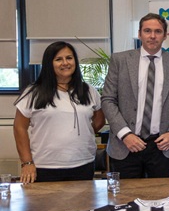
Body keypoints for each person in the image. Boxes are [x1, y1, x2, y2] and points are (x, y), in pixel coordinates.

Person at [102, 13, 169, 179]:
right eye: (147, 31)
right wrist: (125, 134)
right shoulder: (120, 60)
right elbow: (108, 99)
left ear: (165, 35)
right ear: (139, 34)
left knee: (160, 194)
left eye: (158, 31)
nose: (152, 36)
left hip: (161, 146)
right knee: (127, 194)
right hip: (126, 144)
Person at [14, 41, 105, 183]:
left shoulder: (88, 90)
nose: (65, 63)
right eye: (58, 59)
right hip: (45, 166)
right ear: (49, 64)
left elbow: (100, 120)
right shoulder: (33, 92)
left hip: (83, 164)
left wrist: (81, 132)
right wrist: (27, 162)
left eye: (69, 58)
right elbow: (19, 127)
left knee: (84, 199)